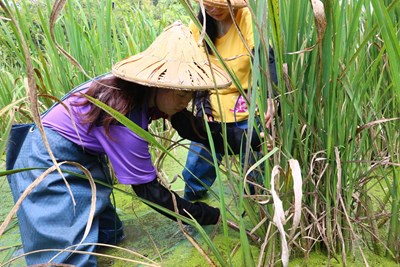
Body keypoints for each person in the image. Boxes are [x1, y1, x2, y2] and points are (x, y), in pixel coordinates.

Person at [5, 21, 263, 267]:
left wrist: (245, 139)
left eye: (190, 95)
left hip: (82, 156)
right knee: (66, 258)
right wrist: (206, 215)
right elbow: (151, 194)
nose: (185, 101)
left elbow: (189, 126)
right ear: (159, 83)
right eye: (182, 93)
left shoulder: (147, 93)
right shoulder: (124, 116)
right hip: (46, 157)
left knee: (109, 233)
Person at [182, 0, 278, 201]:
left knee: (254, 179)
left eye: (220, 3)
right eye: (208, 4)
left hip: (247, 109)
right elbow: (196, 72)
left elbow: (264, 55)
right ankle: (193, 214)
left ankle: (257, 211)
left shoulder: (246, 17)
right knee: (194, 174)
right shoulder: (198, 27)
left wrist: (271, 97)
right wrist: (202, 106)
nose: (215, 9)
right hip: (212, 113)